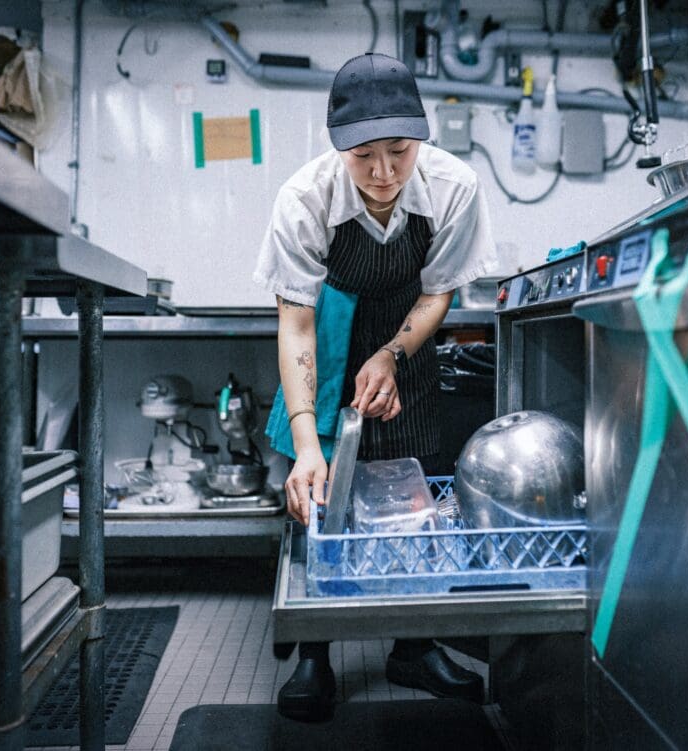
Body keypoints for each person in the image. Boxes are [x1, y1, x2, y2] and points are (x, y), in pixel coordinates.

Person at [254, 52, 497, 722]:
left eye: (400, 150)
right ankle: (313, 651)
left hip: (406, 345)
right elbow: (296, 322)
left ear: (421, 136)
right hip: (330, 340)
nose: (386, 173)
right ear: (339, 149)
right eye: (365, 156)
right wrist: (308, 442)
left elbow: (440, 289)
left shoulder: (453, 186)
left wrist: (393, 353)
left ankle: (414, 646)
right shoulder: (306, 199)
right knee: (320, 494)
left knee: (414, 484)